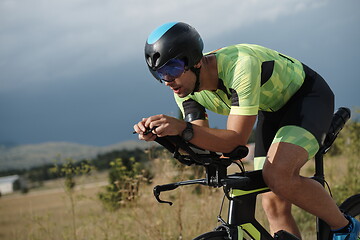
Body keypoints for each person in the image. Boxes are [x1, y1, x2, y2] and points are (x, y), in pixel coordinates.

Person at [133, 22, 360, 239]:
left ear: (196, 61)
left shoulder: (240, 65)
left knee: (278, 177)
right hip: (271, 111)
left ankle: (345, 226)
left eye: (172, 68)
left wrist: (181, 126)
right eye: (160, 74)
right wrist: (167, 136)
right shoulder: (185, 90)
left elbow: (235, 141)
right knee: (272, 202)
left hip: (307, 98)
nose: (168, 81)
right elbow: (201, 143)